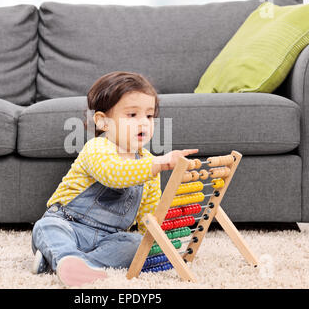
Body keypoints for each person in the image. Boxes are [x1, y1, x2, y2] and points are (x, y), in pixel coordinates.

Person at [31, 71, 198, 287]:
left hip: (109, 237)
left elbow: (147, 211)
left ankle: (75, 264)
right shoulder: (97, 149)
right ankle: (64, 255)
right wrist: (160, 164)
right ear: (103, 122)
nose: (144, 123)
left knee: (137, 244)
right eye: (132, 115)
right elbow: (114, 175)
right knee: (46, 228)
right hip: (70, 224)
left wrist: (156, 243)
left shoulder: (147, 161)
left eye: (149, 116)